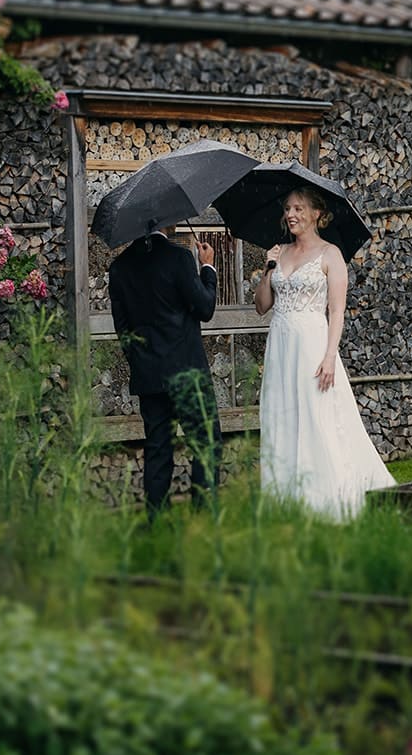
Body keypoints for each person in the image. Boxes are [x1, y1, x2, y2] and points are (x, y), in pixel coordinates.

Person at [253, 187, 394, 519]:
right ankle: (287, 499)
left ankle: (327, 497)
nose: (291, 215)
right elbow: (261, 306)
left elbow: (337, 311)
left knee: (317, 417)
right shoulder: (280, 252)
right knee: (282, 415)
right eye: (287, 208)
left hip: (313, 345)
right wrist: (269, 269)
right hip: (281, 346)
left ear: (317, 213)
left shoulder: (331, 254)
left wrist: (330, 356)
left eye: (299, 208)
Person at [108, 225, 222, 516]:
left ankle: (156, 524)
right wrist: (208, 267)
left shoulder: (119, 268)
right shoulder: (179, 258)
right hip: (187, 373)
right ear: (165, 221)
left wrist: (140, 362)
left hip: (149, 376)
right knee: (205, 443)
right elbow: (205, 308)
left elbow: (123, 330)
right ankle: (204, 518)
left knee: (158, 450)